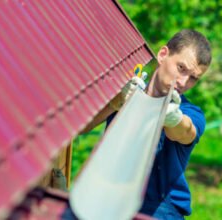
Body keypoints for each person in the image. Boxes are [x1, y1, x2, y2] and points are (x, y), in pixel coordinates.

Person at [82, 29, 212, 219]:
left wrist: (172, 118)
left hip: (161, 209)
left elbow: (185, 132)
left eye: (194, 78)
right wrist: (115, 103)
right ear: (162, 55)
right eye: (181, 68)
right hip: (111, 199)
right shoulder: (126, 90)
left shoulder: (190, 112)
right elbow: (80, 127)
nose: (184, 82)